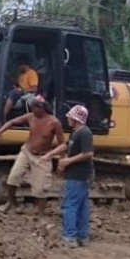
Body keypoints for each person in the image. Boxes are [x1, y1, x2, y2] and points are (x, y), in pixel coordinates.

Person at [0, 95, 64, 216]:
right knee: (13, 177)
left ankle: (40, 214)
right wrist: (0, 131)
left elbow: (62, 144)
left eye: (35, 107)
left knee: (41, 189)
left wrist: (62, 161)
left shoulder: (54, 122)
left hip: (42, 157)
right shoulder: (30, 117)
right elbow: (13, 121)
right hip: (27, 152)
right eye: (32, 107)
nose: (33, 110)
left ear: (43, 108)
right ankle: (10, 203)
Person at [41, 105, 94, 247]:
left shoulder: (85, 133)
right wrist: (49, 154)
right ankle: (82, 236)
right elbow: (66, 145)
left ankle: (69, 237)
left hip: (78, 175)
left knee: (70, 205)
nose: (67, 118)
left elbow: (88, 153)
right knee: (82, 205)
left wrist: (68, 161)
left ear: (75, 118)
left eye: (70, 116)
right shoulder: (75, 133)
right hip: (77, 175)